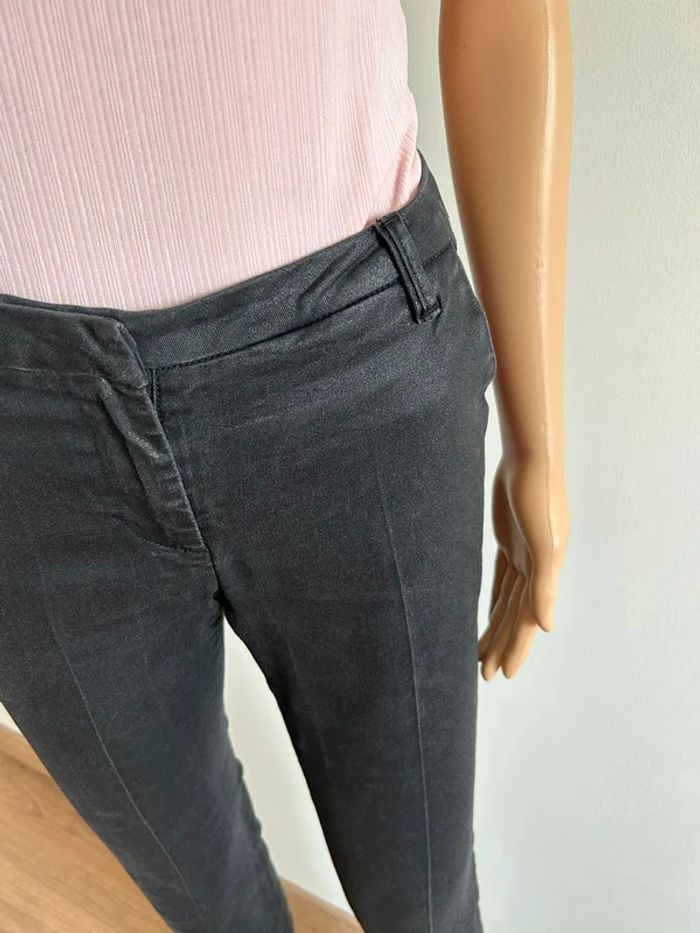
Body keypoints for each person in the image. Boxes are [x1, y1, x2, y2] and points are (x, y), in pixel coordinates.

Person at [0, 2, 572, 930]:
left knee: (425, 901)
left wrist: (536, 436)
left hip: (354, 368)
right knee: (207, 904)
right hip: (22, 440)